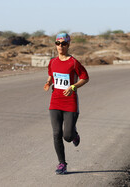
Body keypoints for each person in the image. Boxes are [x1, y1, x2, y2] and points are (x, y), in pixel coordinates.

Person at [43, 33, 89, 175]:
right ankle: (62, 164)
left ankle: (74, 134)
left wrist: (73, 87)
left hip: (70, 102)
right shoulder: (52, 62)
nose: (60, 46)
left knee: (67, 136)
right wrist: (49, 82)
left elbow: (85, 78)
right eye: (58, 43)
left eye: (63, 44)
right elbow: (52, 74)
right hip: (55, 101)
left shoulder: (74, 62)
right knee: (56, 133)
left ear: (68, 45)